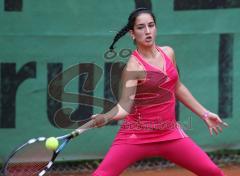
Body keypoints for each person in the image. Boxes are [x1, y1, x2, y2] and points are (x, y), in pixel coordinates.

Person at [91, 8, 228, 176]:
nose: (147, 31)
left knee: (212, 172)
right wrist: (106, 117)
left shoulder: (168, 52)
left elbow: (177, 87)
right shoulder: (133, 67)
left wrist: (205, 114)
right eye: (141, 27)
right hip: (136, 136)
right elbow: (124, 107)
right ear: (132, 34)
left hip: (169, 133)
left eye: (151, 25)